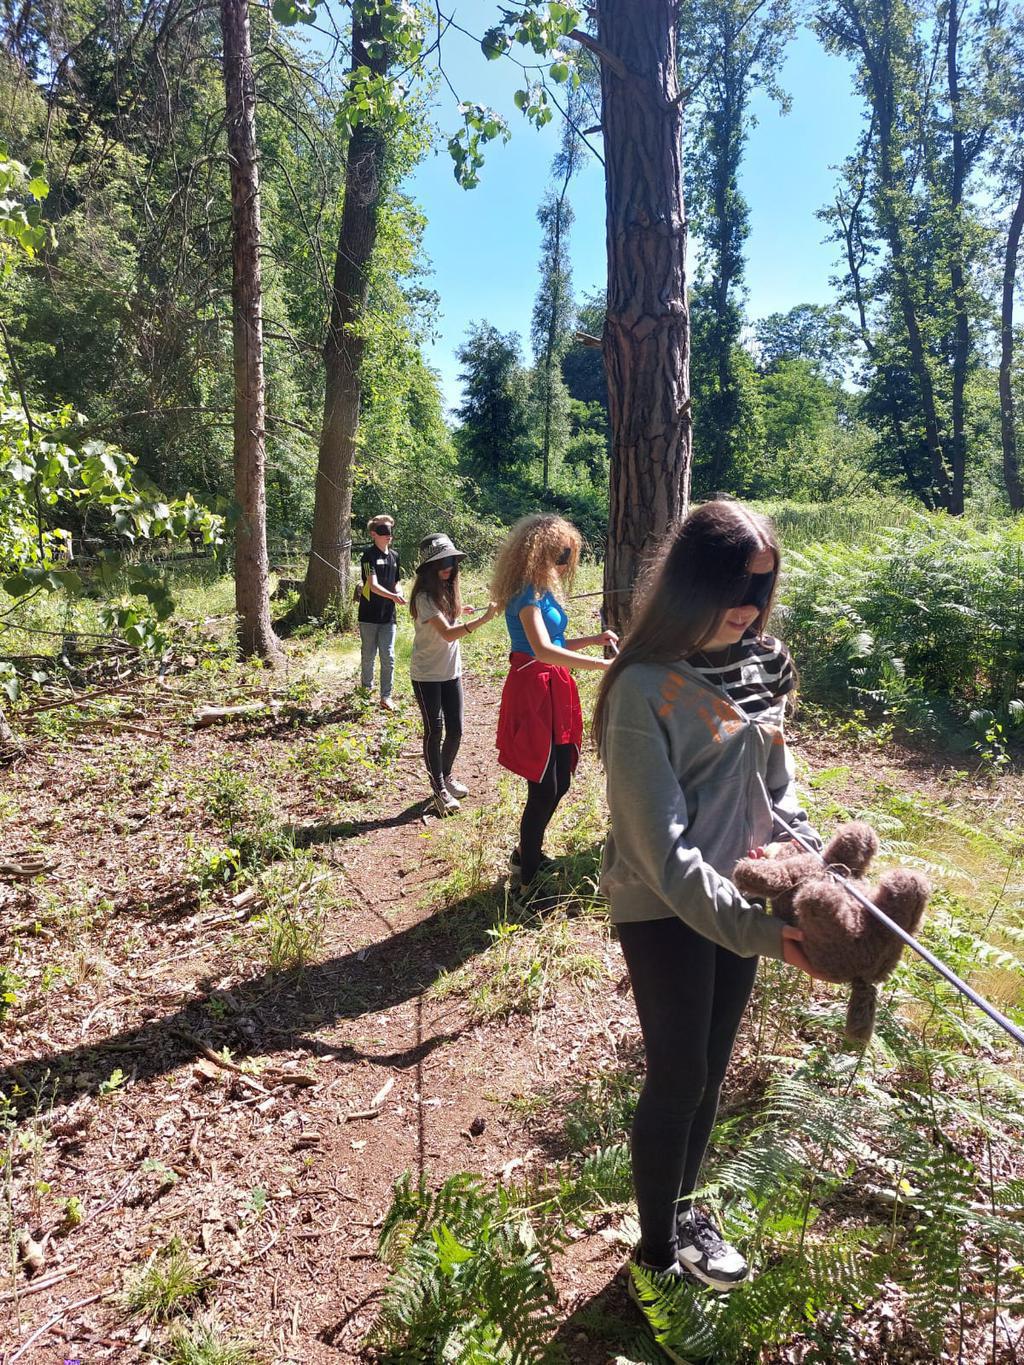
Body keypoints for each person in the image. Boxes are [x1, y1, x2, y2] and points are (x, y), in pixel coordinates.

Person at [591, 498, 832, 1308]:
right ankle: (655, 1259)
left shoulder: (764, 662)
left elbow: (778, 788)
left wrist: (817, 870)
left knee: (715, 1065)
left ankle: (687, 1212)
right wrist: (766, 932)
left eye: (762, 591)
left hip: (744, 895)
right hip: (665, 905)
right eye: (736, 587)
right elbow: (660, 855)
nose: (749, 608)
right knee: (679, 1071)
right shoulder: (642, 689)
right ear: (692, 581)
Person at [491, 514, 618, 897]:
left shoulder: (544, 591)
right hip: (533, 690)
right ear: (540, 553)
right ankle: (526, 880)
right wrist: (603, 665)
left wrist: (594, 640)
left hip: (554, 687)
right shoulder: (526, 595)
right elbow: (542, 650)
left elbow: (557, 643)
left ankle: (527, 852)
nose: (566, 563)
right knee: (543, 784)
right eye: (561, 555)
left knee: (560, 778)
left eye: (569, 556)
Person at [410, 533, 498, 817]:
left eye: (451, 561)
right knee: (434, 731)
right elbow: (447, 634)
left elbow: (450, 621)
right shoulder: (423, 597)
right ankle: (438, 790)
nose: (448, 567)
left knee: (456, 729)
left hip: (451, 672)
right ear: (429, 568)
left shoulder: (447, 591)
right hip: (427, 675)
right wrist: (482, 620)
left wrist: (463, 612)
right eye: (442, 563)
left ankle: (445, 776)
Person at [357, 514, 405, 712]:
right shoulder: (368, 556)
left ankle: (386, 696)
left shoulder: (395, 556)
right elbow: (372, 585)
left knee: (389, 656)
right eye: (384, 532)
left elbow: (397, 581)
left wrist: (399, 592)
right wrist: (393, 597)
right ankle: (366, 691)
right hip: (368, 616)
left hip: (388, 617)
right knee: (368, 654)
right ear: (373, 534)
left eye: (390, 532)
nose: (388, 536)